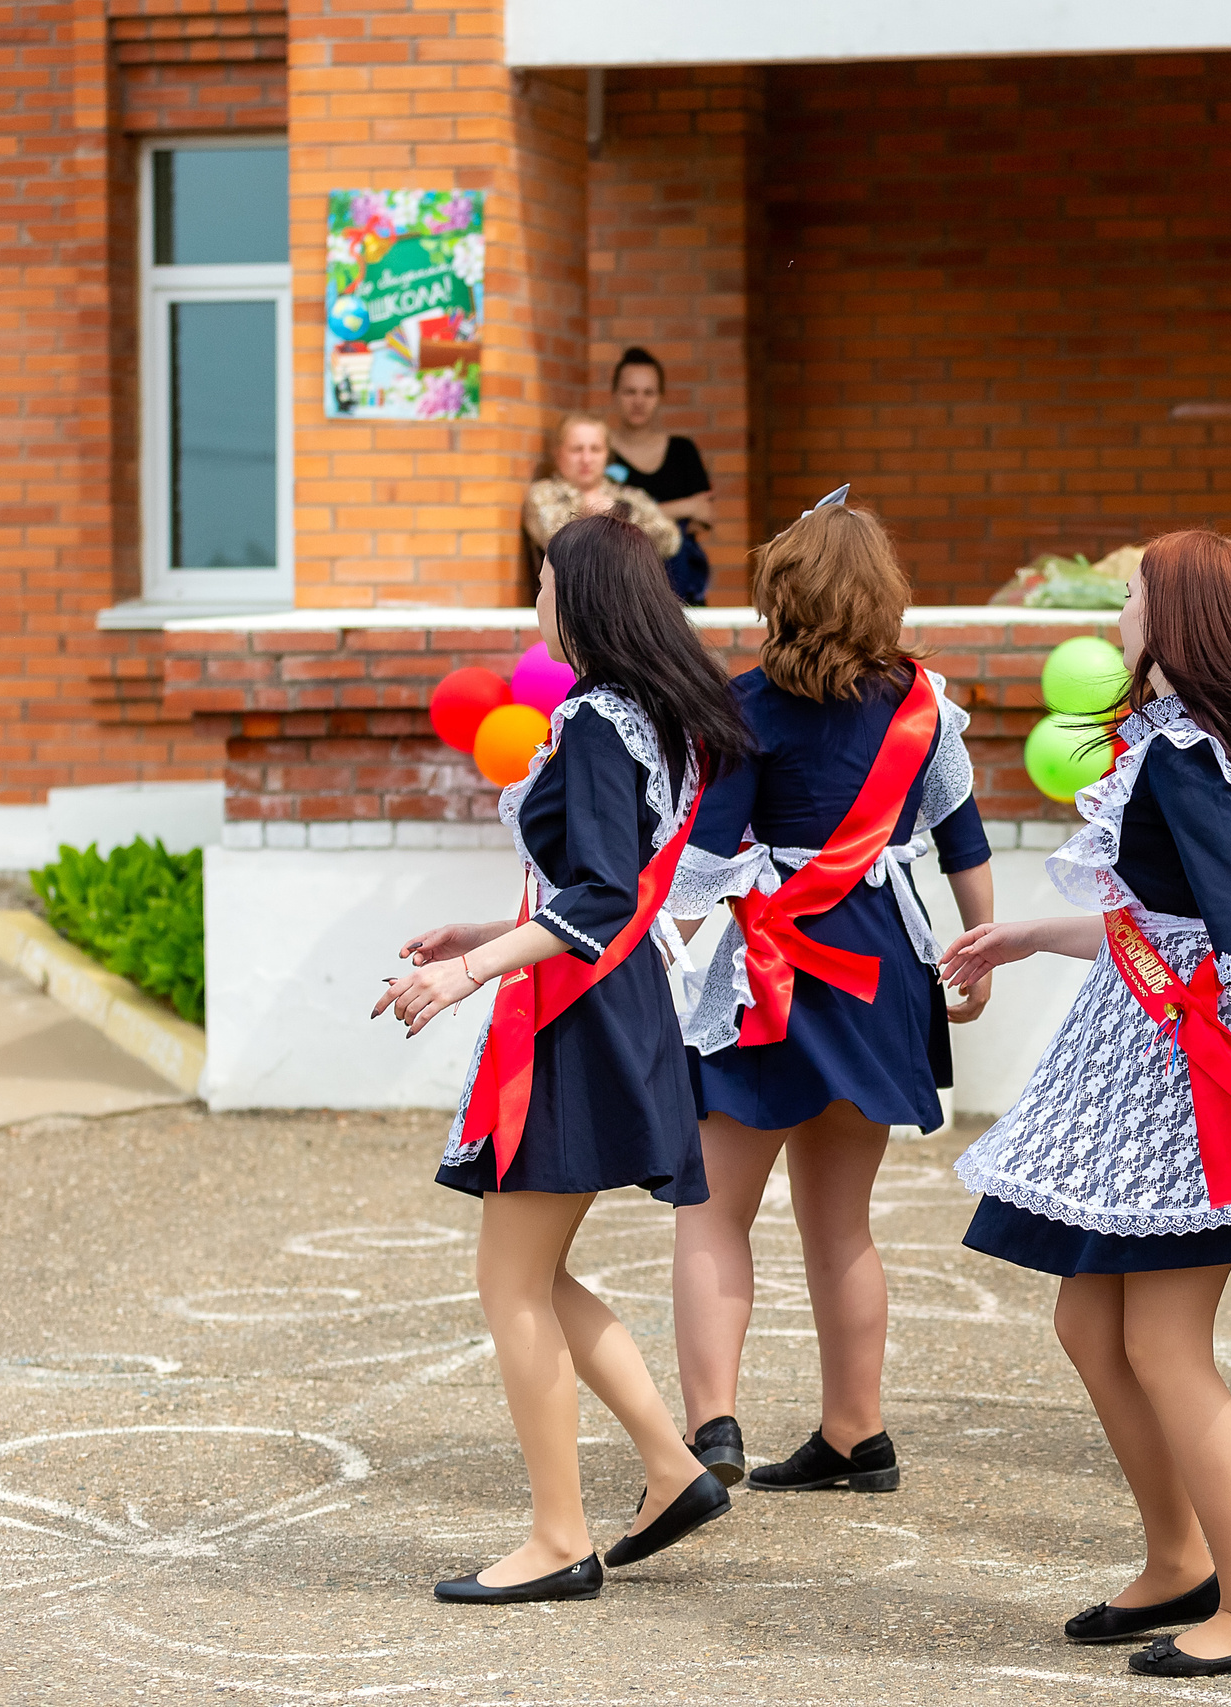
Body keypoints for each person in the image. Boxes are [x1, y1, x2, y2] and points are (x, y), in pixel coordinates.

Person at [943, 530, 1231, 1680]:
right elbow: (1170, 917)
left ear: (1173, 616)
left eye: (1134, 593)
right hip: (1143, 1045)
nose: (1122, 612)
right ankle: (1176, 1560)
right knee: (1090, 1323)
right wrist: (1033, 932)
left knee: (1162, 1341)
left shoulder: (1193, 751)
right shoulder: (1196, 741)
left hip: (1196, 1066)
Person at [374, 512, 755, 1605]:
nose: (533, 595)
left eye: (542, 577)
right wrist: (478, 934)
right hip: (606, 1004)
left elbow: (594, 895)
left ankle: (557, 1538)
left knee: (510, 1283)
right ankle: (673, 1467)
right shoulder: (649, 715)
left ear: (577, 595)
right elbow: (605, 884)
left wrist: (470, 971)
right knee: (532, 1274)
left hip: (575, 1017)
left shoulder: (595, 718)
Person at [666, 489, 995, 1500]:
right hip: (879, 963)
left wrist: (669, 952)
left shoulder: (740, 702)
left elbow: (705, 864)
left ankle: (710, 1428)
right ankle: (857, 1434)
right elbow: (961, 837)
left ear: (782, 595)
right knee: (840, 1225)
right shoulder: (921, 705)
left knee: (714, 1214)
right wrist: (976, 948)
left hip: (770, 969)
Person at [606, 347, 718, 605]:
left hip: (680, 584)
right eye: (630, 391)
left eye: (648, 392)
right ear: (614, 395)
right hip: (621, 583)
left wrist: (637, 519)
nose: (639, 401)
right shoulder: (600, 452)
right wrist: (685, 507)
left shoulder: (682, 451)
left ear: (660, 397)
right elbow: (607, 519)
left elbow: (705, 517)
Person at [526, 411, 681, 566]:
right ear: (558, 452)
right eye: (576, 449)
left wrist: (622, 514)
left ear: (607, 454)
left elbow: (671, 541)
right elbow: (558, 544)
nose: (586, 459)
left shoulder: (628, 497)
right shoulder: (543, 494)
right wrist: (586, 516)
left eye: (595, 449)